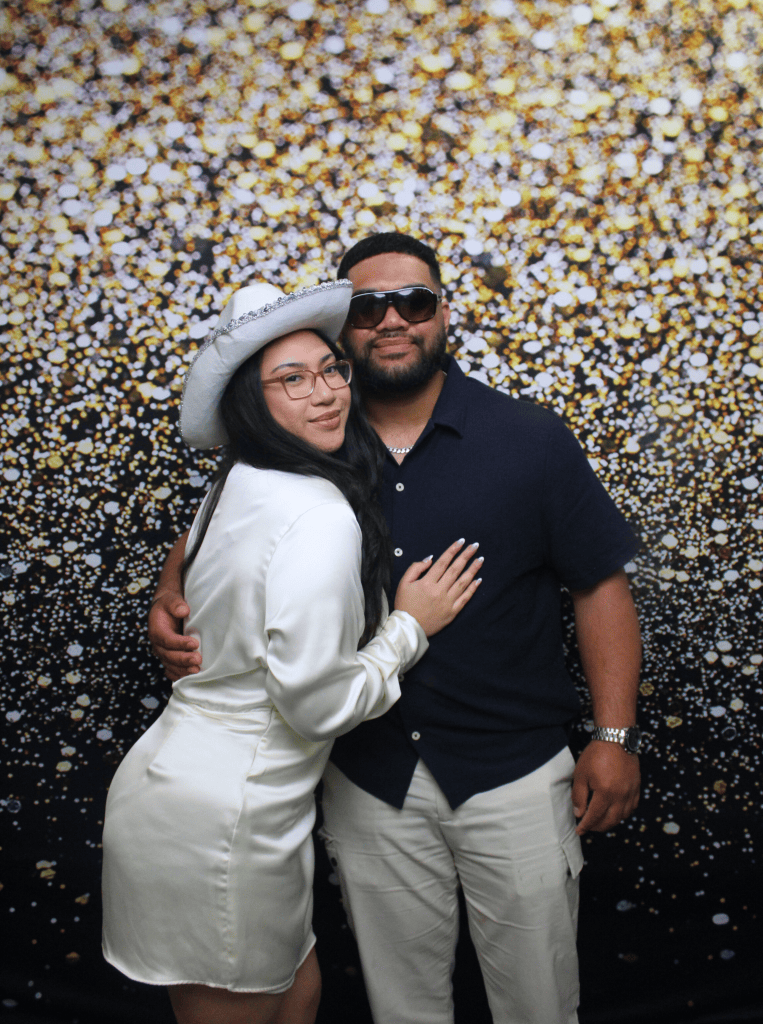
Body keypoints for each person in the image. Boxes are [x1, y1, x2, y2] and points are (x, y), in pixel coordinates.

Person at [149, 234, 643, 1024]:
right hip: (368, 774)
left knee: (539, 1004)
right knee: (402, 1007)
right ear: (342, 327)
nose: (390, 320)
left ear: (442, 313)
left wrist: (613, 736)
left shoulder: (529, 438)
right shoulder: (305, 438)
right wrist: (170, 589)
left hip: (511, 768)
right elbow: (223, 525)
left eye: (411, 301)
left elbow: (599, 584)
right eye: (366, 306)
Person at [102, 278, 482, 1024]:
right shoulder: (317, 516)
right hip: (224, 817)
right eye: (291, 379)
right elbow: (314, 707)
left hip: (194, 792)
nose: (326, 393)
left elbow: (216, 559)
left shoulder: (240, 482)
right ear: (252, 400)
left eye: (330, 370)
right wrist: (408, 625)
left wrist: (164, 593)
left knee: (298, 992)